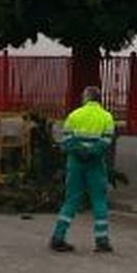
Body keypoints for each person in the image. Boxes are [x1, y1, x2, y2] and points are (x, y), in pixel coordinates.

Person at [49, 86, 115, 253]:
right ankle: (102, 241)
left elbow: (67, 141)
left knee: (71, 200)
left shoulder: (74, 115)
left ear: (86, 98)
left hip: (75, 163)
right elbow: (106, 141)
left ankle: (58, 237)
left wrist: (80, 152)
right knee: (99, 201)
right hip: (96, 164)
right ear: (98, 99)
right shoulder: (107, 117)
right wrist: (92, 152)